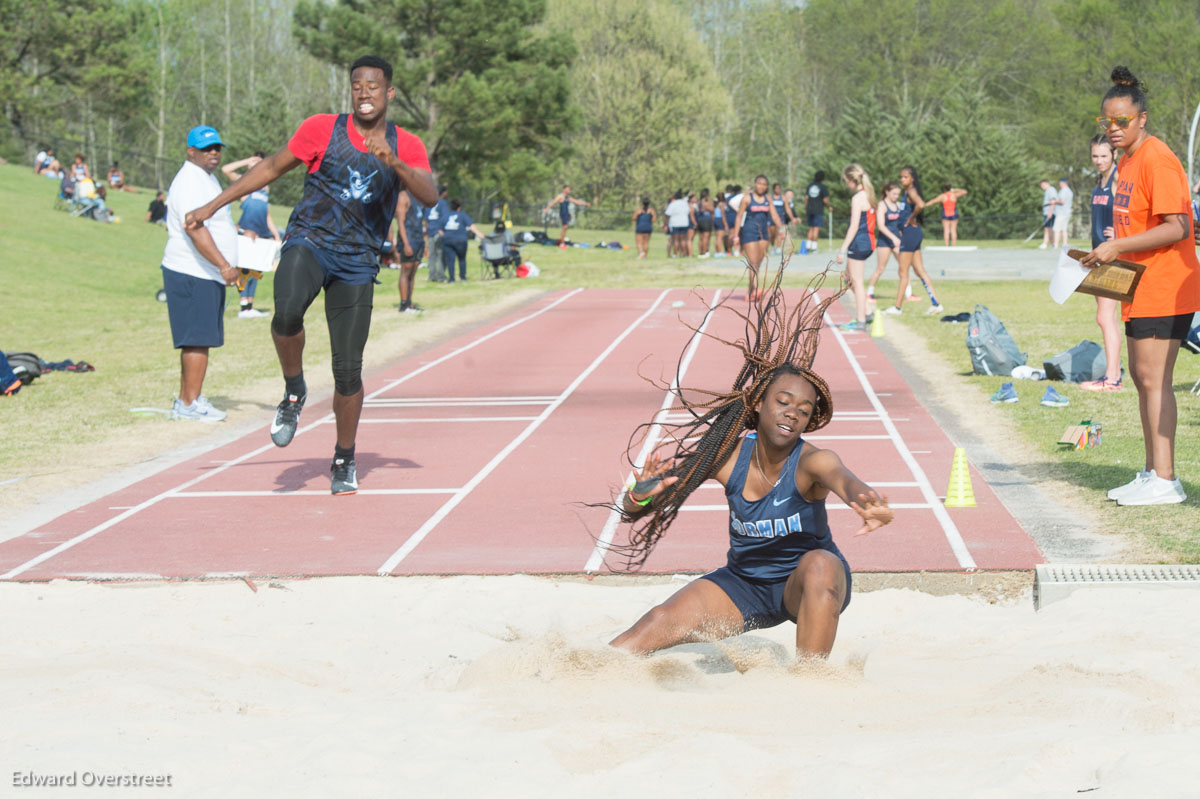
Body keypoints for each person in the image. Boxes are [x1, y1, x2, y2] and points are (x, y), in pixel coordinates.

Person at [606, 265, 893, 660]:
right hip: (745, 584)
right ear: (758, 404)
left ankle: (812, 682)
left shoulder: (813, 462)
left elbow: (843, 479)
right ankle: (584, 674)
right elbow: (634, 510)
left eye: (804, 410)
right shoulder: (725, 457)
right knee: (656, 622)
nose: (793, 413)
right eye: (783, 402)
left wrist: (868, 500)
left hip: (803, 586)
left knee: (822, 564)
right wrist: (638, 497)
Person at [185, 55, 437, 495]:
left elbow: (429, 195)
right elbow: (269, 168)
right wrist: (212, 205)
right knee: (284, 315)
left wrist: (393, 162)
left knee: (348, 371)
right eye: (357, 85)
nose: (364, 93)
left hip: (358, 260)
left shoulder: (406, 144)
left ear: (389, 93)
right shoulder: (322, 128)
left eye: (373, 86)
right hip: (311, 241)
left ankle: (344, 456)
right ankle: (294, 389)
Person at [1080, 66, 1200, 506]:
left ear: (1142, 118)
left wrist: (1120, 246)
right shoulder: (1127, 161)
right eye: (1106, 121)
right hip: (1138, 285)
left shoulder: (1157, 157)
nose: (1112, 129)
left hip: (1166, 287)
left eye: (1121, 121)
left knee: (1155, 380)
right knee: (1140, 377)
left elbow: (1177, 227)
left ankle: (1166, 480)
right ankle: (1151, 471)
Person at [162, 125, 240, 423]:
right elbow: (194, 227)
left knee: (199, 339)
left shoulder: (205, 178)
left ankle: (188, 399)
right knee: (197, 339)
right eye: (206, 148)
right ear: (190, 151)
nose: (214, 153)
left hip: (203, 272)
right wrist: (224, 265)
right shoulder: (189, 181)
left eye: (217, 148)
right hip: (193, 270)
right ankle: (190, 402)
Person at [1080, 134, 1123, 392]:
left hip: (1113, 256)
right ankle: (1113, 374)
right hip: (1099, 255)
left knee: (1105, 316)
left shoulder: (1118, 179)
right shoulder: (1100, 180)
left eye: (1104, 156)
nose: (1099, 160)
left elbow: (1133, 211)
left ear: (1114, 155)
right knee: (1106, 317)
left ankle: (1112, 379)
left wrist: (1120, 235)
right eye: (1095, 156)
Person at [222, 151, 281, 319]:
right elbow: (226, 169)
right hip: (247, 232)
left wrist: (275, 233)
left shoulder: (265, 186)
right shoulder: (245, 183)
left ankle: (249, 307)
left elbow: (267, 214)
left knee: (257, 269)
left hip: (262, 233)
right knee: (245, 269)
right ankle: (243, 308)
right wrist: (246, 161)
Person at [882, 166, 943, 317]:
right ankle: (936, 304)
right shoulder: (907, 192)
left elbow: (921, 204)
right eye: (901, 177)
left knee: (903, 271)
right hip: (913, 233)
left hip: (910, 234)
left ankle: (897, 308)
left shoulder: (911, 191)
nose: (902, 180)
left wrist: (910, 219)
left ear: (912, 178)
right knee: (918, 270)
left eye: (905, 177)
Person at [834, 164, 876, 332]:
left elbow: (854, 226)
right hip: (868, 241)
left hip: (859, 242)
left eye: (846, 181)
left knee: (857, 282)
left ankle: (861, 321)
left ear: (852, 180)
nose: (846, 184)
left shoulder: (858, 198)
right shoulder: (869, 195)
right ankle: (867, 312)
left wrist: (842, 250)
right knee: (848, 278)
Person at [732, 175, 787, 302]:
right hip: (749, 231)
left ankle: (751, 289)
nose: (761, 186)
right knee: (753, 263)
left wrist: (781, 229)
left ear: (766, 187)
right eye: (759, 183)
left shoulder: (768, 199)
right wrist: (736, 236)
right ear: (755, 184)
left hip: (763, 233)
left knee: (758, 264)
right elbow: (739, 217)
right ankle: (756, 289)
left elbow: (774, 215)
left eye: (764, 184)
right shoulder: (747, 198)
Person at [866, 181, 904, 302]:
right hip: (885, 241)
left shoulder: (898, 205)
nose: (896, 196)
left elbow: (900, 224)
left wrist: (902, 237)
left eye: (897, 194)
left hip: (897, 241)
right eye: (893, 194)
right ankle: (869, 292)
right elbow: (881, 226)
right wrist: (893, 237)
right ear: (887, 192)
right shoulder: (882, 206)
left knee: (904, 267)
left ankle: (908, 294)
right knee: (880, 268)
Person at [441, 199, 486, 283]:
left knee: (450, 260)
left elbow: (440, 229)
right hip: (460, 240)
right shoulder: (462, 215)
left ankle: (451, 279)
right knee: (461, 259)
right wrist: (479, 234)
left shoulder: (446, 215)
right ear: (459, 207)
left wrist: (444, 236)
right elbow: (471, 226)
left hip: (448, 240)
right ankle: (462, 277)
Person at [394, 190, 426, 311]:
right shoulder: (403, 196)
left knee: (413, 273)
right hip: (408, 239)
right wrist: (406, 244)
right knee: (406, 271)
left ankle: (409, 303)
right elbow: (400, 223)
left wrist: (425, 244)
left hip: (418, 239)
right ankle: (403, 304)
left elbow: (421, 221)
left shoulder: (419, 196)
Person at [425, 184, 449, 282]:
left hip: (430, 230)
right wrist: (442, 230)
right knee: (440, 254)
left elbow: (426, 220)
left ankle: (432, 276)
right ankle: (441, 276)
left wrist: (426, 232)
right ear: (443, 193)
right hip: (439, 231)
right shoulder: (443, 203)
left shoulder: (429, 202)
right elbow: (445, 217)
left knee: (432, 255)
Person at [804, 171, 830, 253]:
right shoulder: (822, 187)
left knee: (811, 228)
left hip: (810, 209)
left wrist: (806, 209)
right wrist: (829, 206)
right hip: (818, 210)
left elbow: (806, 198)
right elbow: (825, 200)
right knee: (816, 229)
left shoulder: (810, 186)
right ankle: (814, 248)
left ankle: (808, 247)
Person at [770, 182, 795, 254]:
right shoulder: (770, 198)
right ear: (774, 189)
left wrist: (792, 218)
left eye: (779, 188)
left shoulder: (783, 198)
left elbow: (787, 209)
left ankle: (778, 248)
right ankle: (772, 246)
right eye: (777, 188)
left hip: (781, 219)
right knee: (772, 235)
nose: (778, 190)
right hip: (771, 219)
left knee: (779, 233)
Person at [664, 190, 691, 257]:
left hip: (675, 223)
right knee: (683, 239)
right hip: (684, 223)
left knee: (676, 240)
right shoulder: (685, 203)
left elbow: (667, 214)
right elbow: (688, 212)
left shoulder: (673, 204)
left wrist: (666, 224)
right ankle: (683, 253)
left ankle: (675, 254)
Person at [1054, 177, 1074, 248]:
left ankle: (1055, 245)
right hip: (1067, 212)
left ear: (1062, 183)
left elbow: (1062, 201)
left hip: (1061, 213)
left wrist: (1054, 201)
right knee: (1064, 229)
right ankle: (1065, 244)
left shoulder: (1063, 190)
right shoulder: (1069, 191)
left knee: (1057, 229)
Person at [1038, 179, 1058, 249]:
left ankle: (1045, 243)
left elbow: (1053, 201)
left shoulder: (1051, 190)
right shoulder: (1047, 191)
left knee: (1047, 228)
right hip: (1047, 212)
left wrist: (1050, 213)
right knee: (1048, 228)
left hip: (1050, 212)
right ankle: (1052, 243)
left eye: (1043, 185)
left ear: (1047, 183)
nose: (1042, 187)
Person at [696, 188, 714, 258]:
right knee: (706, 237)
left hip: (700, 220)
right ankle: (705, 252)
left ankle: (700, 252)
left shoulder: (699, 201)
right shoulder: (707, 201)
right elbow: (712, 209)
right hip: (706, 220)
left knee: (701, 237)